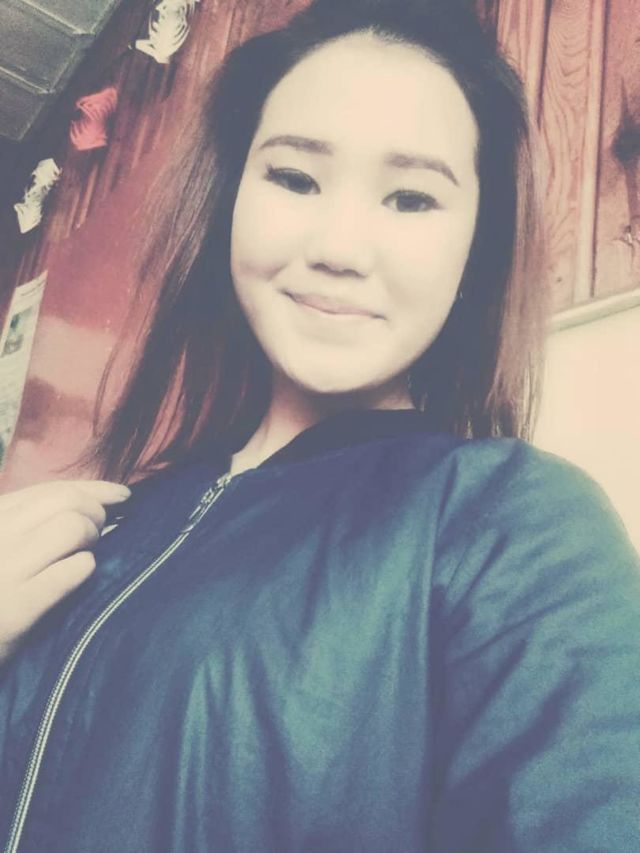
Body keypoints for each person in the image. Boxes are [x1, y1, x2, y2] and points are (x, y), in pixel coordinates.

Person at [1, 0, 639, 850]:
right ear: (229, 199)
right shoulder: (117, 518)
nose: (340, 247)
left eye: (411, 198)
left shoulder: (515, 526)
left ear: (475, 251)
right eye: (296, 179)